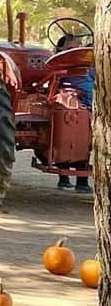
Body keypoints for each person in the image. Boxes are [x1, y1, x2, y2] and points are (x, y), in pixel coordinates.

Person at [55, 33, 94, 194]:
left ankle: (82, 181)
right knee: (68, 136)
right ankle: (64, 178)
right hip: (73, 100)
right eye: (70, 48)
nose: (74, 50)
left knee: (87, 142)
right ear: (61, 48)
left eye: (77, 47)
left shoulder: (89, 65)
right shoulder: (58, 63)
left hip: (90, 102)